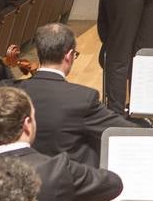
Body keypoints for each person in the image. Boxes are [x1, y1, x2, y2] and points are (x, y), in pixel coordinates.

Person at [16, 23, 136, 167]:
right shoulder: (82, 99)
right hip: (69, 179)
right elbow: (123, 131)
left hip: (21, 176)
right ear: (69, 55)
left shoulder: (9, 90)